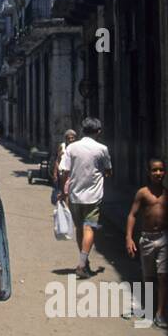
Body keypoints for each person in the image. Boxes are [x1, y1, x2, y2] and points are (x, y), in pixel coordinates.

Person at [126, 158, 168, 327]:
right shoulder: (142, 193)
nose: (158, 173)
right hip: (147, 239)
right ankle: (149, 310)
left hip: (165, 238)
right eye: (154, 170)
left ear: (165, 172)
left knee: (163, 276)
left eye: (161, 170)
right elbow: (132, 215)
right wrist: (129, 237)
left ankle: (160, 313)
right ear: (148, 173)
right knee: (149, 277)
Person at [59, 118, 112, 279]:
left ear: (82, 130)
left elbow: (64, 171)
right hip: (93, 197)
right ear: (99, 131)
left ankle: (84, 261)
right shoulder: (102, 149)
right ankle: (82, 264)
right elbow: (108, 170)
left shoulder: (72, 148)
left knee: (80, 229)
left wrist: (63, 191)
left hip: (74, 195)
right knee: (89, 228)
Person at [52, 128, 77, 204]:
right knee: (64, 191)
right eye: (68, 138)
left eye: (72, 138)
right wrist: (55, 173)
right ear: (66, 139)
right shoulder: (62, 146)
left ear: (75, 138)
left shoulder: (77, 147)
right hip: (62, 173)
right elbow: (58, 160)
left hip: (73, 172)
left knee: (71, 191)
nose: (71, 140)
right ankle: (65, 209)